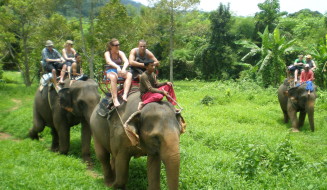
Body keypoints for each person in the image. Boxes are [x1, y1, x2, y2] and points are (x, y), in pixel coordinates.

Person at [105, 38, 132, 107]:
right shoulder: (107, 53)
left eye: (118, 45)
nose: (117, 46)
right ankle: (115, 98)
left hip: (119, 71)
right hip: (110, 71)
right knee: (114, 77)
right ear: (111, 46)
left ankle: (125, 94)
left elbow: (126, 61)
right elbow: (108, 61)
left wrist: (123, 69)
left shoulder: (120, 53)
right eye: (115, 45)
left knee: (129, 75)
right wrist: (117, 67)